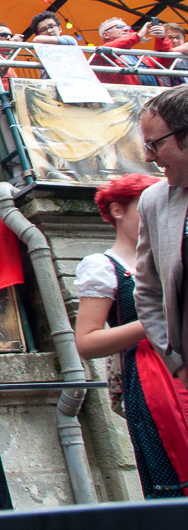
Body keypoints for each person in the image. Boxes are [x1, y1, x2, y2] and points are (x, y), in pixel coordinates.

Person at [75, 173, 188, 498]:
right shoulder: (103, 265)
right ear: (118, 210)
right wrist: (157, 319)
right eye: (145, 206)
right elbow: (87, 342)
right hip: (153, 376)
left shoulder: (172, 253)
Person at [136, 85, 188, 397]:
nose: (147, 156)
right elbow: (148, 290)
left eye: (154, 145)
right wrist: (178, 365)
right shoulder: (155, 202)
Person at [91, 16, 153, 86]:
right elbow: (117, 45)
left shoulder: (138, 56)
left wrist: (162, 38)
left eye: (128, 28)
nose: (126, 29)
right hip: (121, 95)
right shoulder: (99, 52)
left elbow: (164, 61)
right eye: (119, 27)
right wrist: (138, 36)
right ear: (106, 35)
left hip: (153, 94)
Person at [149, 22, 188, 87]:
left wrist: (171, 52)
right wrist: (170, 53)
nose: (175, 41)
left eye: (178, 37)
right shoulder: (155, 58)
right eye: (170, 38)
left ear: (183, 39)